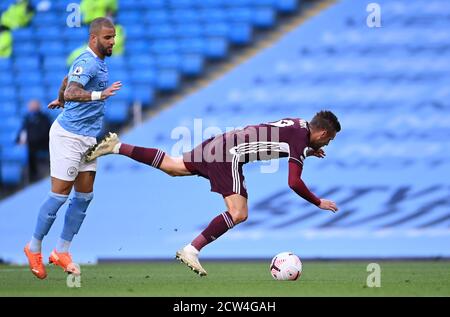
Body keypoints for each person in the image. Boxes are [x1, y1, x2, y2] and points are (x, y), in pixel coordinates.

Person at [84, 111, 341, 276]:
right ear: (322, 133)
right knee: (238, 213)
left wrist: (308, 150)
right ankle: (191, 250)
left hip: (222, 142)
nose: (325, 145)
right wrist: (317, 201)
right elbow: (294, 182)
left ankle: (116, 146)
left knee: (174, 167)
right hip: (230, 154)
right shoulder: (299, 139)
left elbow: (275, 139)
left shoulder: (297, 124)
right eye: (327, 141)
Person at [24, 17, 122, 279]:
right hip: (68, 136)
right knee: (60, 194)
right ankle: (33, 247)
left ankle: (61, 251)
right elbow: (73, 90)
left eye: (113, 37)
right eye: (107, 38)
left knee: (85, 196)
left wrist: (59, 97)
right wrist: (98, 95)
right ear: (94, 39)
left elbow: (68, 81)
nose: (113, 41)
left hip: (88, 137)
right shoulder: (88, 60)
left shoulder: (98, 63)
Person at [16, 100, 52, 182]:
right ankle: (32, 176)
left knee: (32, 150)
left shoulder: (44, 118)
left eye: (33, 106)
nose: (31, 108)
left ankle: (38, 175)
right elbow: (22, 131)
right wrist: (19, 139)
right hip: (31, 145)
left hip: (42, 144)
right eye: (30, 106)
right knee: (28, 150)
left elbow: (45, 132)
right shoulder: (27, 118)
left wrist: (30, 139)